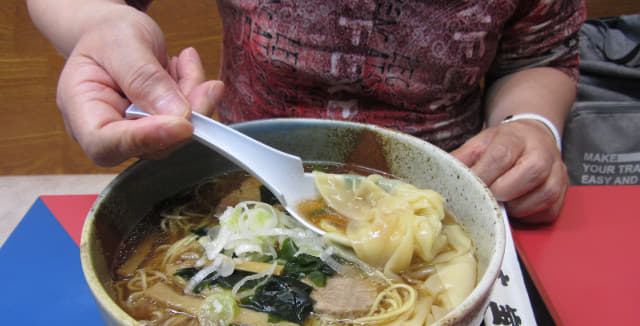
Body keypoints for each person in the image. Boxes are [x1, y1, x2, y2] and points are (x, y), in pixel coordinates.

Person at [26, 0, 586, 223]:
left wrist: (529, 128)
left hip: (449, 189)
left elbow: (542, 54)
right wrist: (98, 26)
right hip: (243, 174)